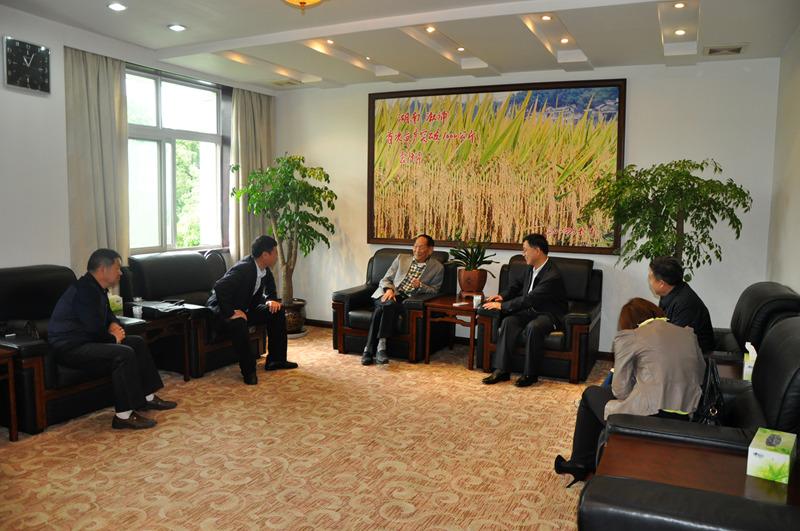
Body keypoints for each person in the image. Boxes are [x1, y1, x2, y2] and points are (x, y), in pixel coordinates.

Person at [554, 298, 706, 486]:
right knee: (604, 399)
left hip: (648, 417)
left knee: (591, 394)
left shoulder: (631, 337)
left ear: (628, 322)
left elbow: (620, 391)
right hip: (687, 416)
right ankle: (592, 459)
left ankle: (579, 463)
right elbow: (700, 374)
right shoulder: (687, 334)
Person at [48, 249, 177, 430]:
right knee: (124, 353)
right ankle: (123, 416)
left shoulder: (96, 288)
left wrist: (114, 325)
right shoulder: (84, 290)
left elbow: (108, 315)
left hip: (86, 341)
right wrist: (113, 338)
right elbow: (92, 329)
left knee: (137, 343)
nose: (120, 273)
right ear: (103, 269)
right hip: (70, 347)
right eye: (117, 268)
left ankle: (147, 398)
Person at [207, 235, 296, 385]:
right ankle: (249, 371)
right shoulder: (244, 268)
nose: (277, 255)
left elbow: (270, 287)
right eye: (275, 252)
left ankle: (276, 360)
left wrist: (271, 300)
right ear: (265, 255)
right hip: (221, 310)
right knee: (239, 323)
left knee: (277, 311)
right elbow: (220, 287)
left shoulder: (263, 269)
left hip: (245, 308)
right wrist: (231, 313)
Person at [481, 233, 567, 387]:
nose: (523, 253)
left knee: (534, 327)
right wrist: (502, 296)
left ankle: (530, 374)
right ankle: (502, 370)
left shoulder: (552, 275)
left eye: (525, 250)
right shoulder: (530, 268)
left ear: (537, 251)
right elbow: (516, 286)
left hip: (549, 314)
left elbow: (530, 298)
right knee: (508, 322)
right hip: (530, 310)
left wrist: (503, 306)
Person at [362, 234, 444, 366]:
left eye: (421, 247)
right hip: (387, 293)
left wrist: (421, 286)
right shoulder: (401, 258)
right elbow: (385, 279)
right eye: (415, 246)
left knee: (384, 308)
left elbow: (435, 290)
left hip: (406, 300)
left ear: (430, 250)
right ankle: (381, 348)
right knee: (387, 305)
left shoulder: (437, 267)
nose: (417, 250)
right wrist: (389, 290)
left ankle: (368, 350)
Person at [648, 256, 714, 353]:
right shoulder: (670, 291)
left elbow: (675, 342)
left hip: (696, 356)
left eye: (650, 278)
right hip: (678, 348)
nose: (649, 282)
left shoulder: (685, 305)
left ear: (661, 284)